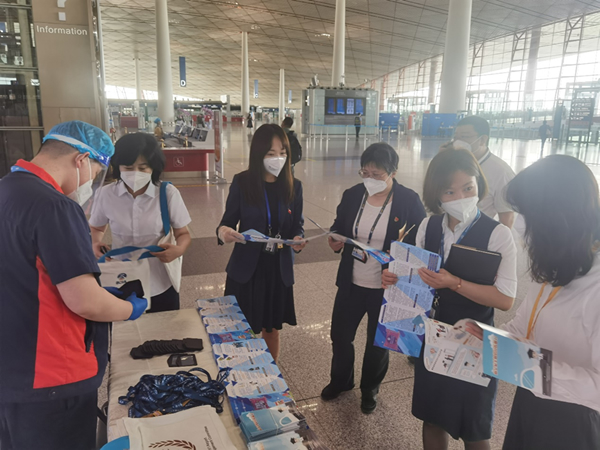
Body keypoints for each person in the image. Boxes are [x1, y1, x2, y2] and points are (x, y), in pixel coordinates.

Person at [0, 121, 147, 450]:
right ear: (81, 160)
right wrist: (128, 308)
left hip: (11, 369)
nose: (89, 184)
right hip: (52, 376)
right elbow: (85, 302)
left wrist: (96, 291)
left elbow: (27, 276)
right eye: (95, 173)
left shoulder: (6, 190)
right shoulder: (55, 206)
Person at [383, 148, 517, 450]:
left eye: (468, 187)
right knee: (432, 419)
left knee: (474, 428)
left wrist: (455, 283)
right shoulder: (428, 227)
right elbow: (416, 281)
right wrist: (394, 281)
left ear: (479, 184)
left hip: (474, 338)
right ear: (437, 195)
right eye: (450, 191)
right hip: (433, 337)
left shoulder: (497, 234)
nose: (461, 197)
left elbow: (505, 299)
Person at [467, 155, 600, 450]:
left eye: (528, 216)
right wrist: (488, 338)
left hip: (574, 419)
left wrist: (534, 368)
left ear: (559, 220)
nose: (520, 227)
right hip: (531, 398)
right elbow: (526, 323)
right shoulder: (559, 262)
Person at [320, 143, 427, 414]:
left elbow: (420, 244)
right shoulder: (353, 194)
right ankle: (341, 381)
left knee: (378, 343)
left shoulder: (408, 200)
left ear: (393, 173)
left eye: (377, 174)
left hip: (386, 284)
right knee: (340, 336)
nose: (370, 179)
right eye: (365, 173)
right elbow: (339, 226)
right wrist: (335, 239)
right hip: (352, 280)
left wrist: (400, 263)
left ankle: (370, 389)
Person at [217, 124, 305, 362]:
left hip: (277, 269)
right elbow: (226, 223)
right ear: (258, 154)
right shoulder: (243, 182)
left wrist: (298, 239)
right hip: (247, 268)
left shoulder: (294, 185)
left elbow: (297, 225)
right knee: (239, 327)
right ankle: (239, 372)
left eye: (282, 153)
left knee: (271, 328)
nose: (278, 158)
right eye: (271, 153)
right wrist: (225, 233)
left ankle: (269, 371)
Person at [90, 133, 192, 312]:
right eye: (128, 167)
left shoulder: (168, 193)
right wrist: (95, 242)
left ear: (153, 167)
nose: (135, 173)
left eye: (143, 167)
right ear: (118, 166)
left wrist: (179, 249)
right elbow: (96, 227)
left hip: (159, 279)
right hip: (121, 277)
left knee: (166, 326)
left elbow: (182, 233)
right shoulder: (106, 194)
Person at [441, 116, 516, 228]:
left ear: (482, 140)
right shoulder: (452, 162)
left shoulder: (501, 172)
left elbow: (507, 216)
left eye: (465, 137)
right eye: (456, 137)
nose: (458, 141)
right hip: (447, 229)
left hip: (478, 231)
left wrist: (498, 237)